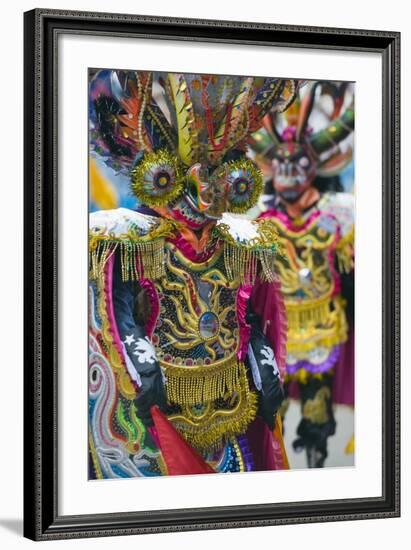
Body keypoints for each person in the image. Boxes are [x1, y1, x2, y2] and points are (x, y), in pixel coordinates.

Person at [88, 70, 297, 478]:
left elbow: (247, 312)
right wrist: (140, 366)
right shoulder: (133, 239)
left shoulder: (239, 241)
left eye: (218, 178)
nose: (208, 195)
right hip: (158, 409)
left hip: (229, 404)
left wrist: (261, 357)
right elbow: (116, 312)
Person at [252, 82, 355, 467]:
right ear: (270, 169)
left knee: (316, 410)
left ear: (317, 168)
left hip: (319, 327)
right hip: (275, 330)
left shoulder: (336, 217)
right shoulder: (262, 222)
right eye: (283, 166)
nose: (291, 175)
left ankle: (316, 457)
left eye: (299, 166)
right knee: (269, 407)